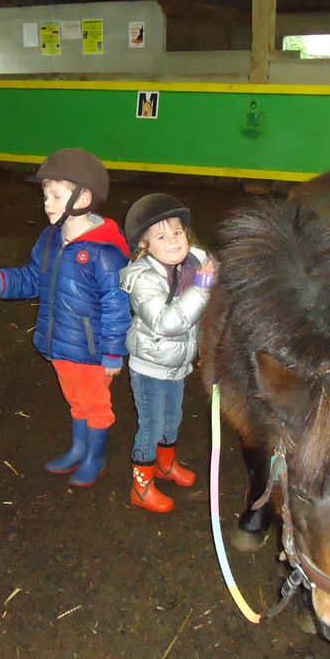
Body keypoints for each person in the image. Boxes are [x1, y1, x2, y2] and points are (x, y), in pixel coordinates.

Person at [0, 148, 131, 487]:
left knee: (96, 405)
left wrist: (114, 350)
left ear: (83, 198)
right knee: (75, 401)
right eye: (45, 195)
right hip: (58, 342)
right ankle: (79, 448)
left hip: (90, 349)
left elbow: (117, 304)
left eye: (55, 195)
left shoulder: (104, 252)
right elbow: (32, 278)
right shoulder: (50, 239)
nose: (46, 203)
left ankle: (95, 457)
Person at [120, 194, 215, 513]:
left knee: (172, 420)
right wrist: (201, 288)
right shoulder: (143, 278)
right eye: (161, 236)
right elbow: (167, 323)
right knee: (151, 426)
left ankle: (164, 465)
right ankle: (141, 486)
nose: (173, 240)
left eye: (177, 232)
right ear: (144, 245)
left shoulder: (194, 265)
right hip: (150, 366)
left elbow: (204, 313)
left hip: (178, 364)